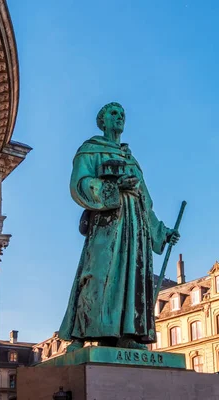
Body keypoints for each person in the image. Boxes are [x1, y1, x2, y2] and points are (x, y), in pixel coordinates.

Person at [58, 102, 180, 351]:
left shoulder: (131, 159)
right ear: (102, 120)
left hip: (136, 225)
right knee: (97, 274)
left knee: (132, 278)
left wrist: (161, 231)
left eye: (123, 114)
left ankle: (128, 334)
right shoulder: (90, 150)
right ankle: (83, 333)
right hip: (107, 222)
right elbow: (79, 184)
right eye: (114, 113)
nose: (120, 117)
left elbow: (146, 201)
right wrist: (114, 187)